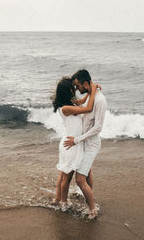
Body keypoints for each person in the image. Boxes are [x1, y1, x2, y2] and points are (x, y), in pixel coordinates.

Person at [64, 69, 107, 219]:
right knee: (87, 173)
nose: (77, 89)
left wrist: (77, 139)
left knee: (80, 179)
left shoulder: (100, 100)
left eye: (77, 86)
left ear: (85, 83)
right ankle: (90, 197)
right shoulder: (89, 95)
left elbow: (98, 127)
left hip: (91, 145)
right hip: (84, 142)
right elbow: (81, 105)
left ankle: (92, 210)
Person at [51, 77, 99, 213]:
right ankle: (64, 203)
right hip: (70, 144)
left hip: (74, 142)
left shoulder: (71, 103)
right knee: (66, 176)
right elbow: (88, 108)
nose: (76, 89)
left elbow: (84, 102)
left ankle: (57, 199)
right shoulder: (66, 108)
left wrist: (90, 90)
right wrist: (94, 90)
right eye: (74, 87)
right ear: (69, 90)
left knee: (64, 174)